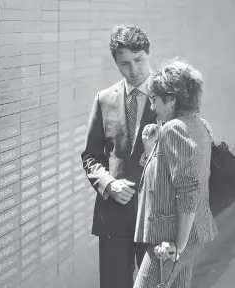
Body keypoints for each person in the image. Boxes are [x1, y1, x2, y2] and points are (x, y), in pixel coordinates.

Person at [81, 25, 157, 288]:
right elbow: (91, 155)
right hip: (114, 213)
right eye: (124, 64)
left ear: (148, 53)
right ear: (115, 62)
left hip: (157, 214)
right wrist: (109, 184)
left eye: (139, 60)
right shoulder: (103, 99)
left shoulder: (171, 97)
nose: (134, 70)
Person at [133, 59, 218, 288]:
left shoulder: (174, 128)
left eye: (154, 100)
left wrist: (177, 246)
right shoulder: (196, 125)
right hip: (183, 233)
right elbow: (168, 177)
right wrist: (151, 150)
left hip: (170, 239)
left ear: (171, 99)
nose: (152, 107)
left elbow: (188, 187)